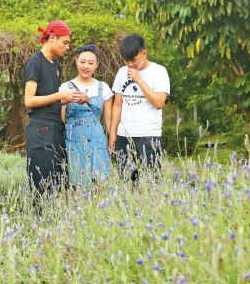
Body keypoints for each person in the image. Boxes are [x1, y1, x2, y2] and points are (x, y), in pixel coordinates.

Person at [23, 20, 87, 194]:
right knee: (43, 183)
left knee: (59, 181)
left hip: (56, 128)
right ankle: (39, 220)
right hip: (40, 129)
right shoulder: (34, 62)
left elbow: (51, 101)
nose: (67, 48)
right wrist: (60, 95)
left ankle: (56, 220)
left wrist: (71, 98)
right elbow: (29, 101)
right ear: (52, 38)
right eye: (65, 42)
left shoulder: (55, 65)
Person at [109, 33, 170, 182]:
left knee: (150, 182)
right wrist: (112, 134)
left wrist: (139, 79)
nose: (130, 64)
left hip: (148, 135)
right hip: (124, 136)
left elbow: (159, 103)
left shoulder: (159, 71)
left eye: (133, 60)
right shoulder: (121, 72)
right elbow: (117, 104)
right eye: (125, 60)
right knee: (127, 182)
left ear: (144, 53)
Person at [60, 44, 113, 187]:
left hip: (97, 140)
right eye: (82, 62)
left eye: (90, 63)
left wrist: (112, 140)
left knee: (101, 183)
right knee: (76, 183)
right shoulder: (65, 87)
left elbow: (108, 121)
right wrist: (68, 98)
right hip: (74, 140)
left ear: (96, 65)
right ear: (76, 62)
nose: (86, 66)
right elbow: (61, 118)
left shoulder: (104, 88)